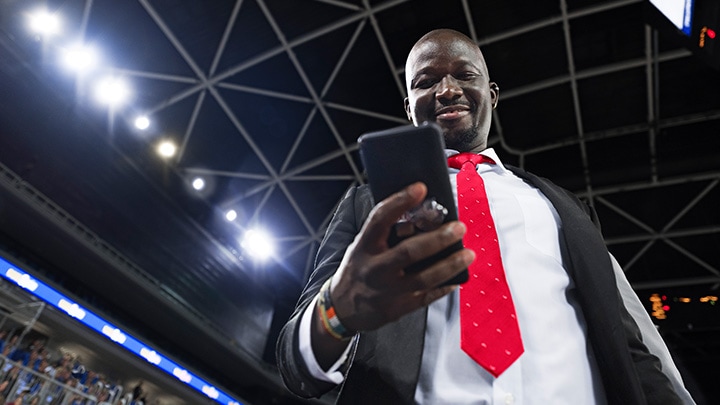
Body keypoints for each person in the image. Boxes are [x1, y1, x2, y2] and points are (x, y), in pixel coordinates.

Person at [276, 28, 694, 404]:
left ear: (491, 93)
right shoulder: (369, 207)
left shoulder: (565, 207)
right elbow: (295, 365)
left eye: (464, 75)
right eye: (426, 82)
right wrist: (336, 309)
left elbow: (628, 345)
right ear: (409, 107)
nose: (446, 90)